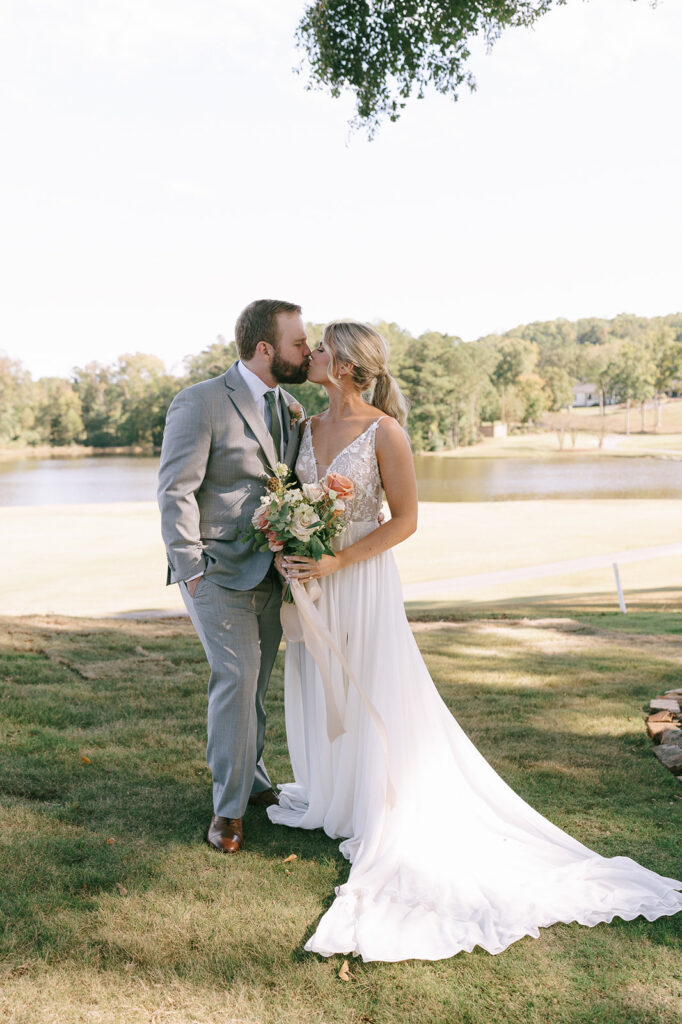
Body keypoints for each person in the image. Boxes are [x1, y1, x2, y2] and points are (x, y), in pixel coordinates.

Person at [268, 319, 682, 963]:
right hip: (314, 575)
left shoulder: (386, 431)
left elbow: (405, 521)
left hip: (360, 576)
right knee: (323, 679)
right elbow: (297, 498)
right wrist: (291, 543)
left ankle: (379, 804)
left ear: (346, 365)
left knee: (372, 681)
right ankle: (338, 797)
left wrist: (336, 563)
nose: (313, 353)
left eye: (321, 346)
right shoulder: (305, 427)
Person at [157, 298, 311, 854]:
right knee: (236, 681)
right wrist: (191, 570)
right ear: (265, 348)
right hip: (215, 573)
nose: (308, 350)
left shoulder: (291, 408)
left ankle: (256, 780)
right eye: (299, 342)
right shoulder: (199, 402)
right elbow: (175, 490)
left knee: (257, 684)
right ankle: (228, 810)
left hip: (271, 573)